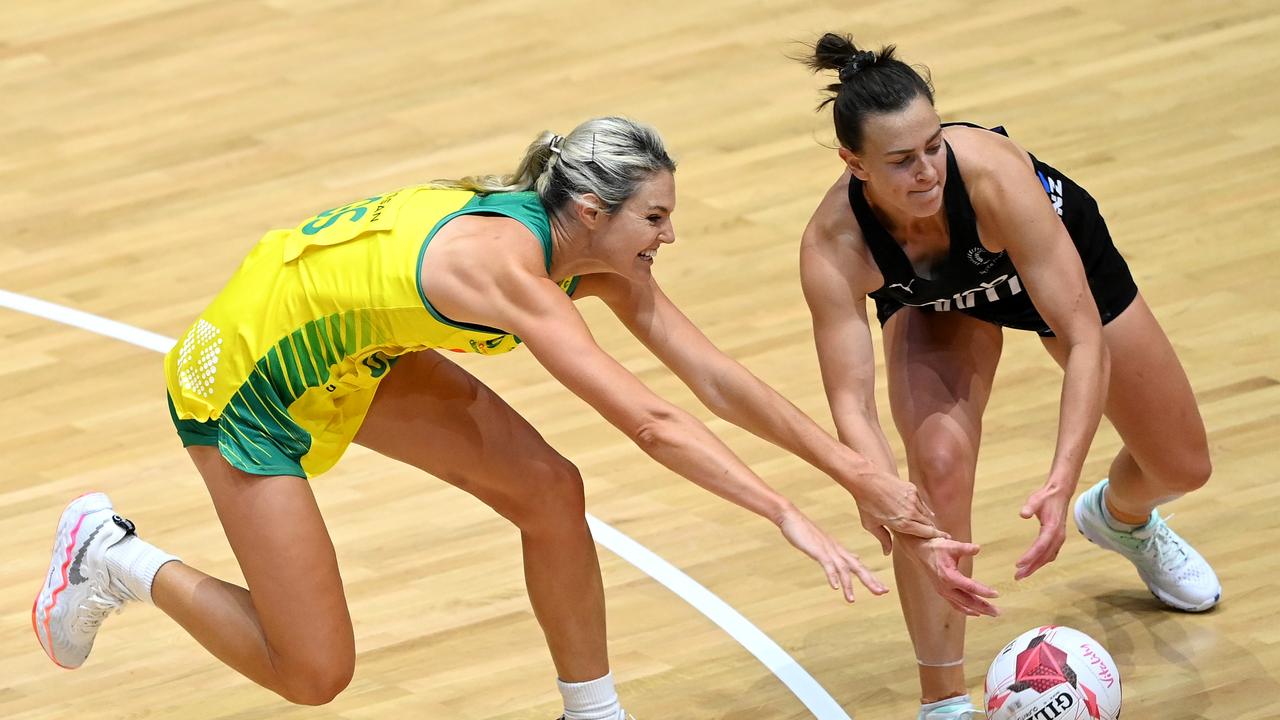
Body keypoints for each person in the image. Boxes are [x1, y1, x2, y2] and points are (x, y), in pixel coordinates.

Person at [33, 116, 960, 719]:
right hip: (249, 378)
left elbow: (711, 377)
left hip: (352, 349)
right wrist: (784, 513)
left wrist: (857, 474)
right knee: (312, 673)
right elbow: (652, 421)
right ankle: (111, 557)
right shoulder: (509, 272)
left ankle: (590, 711)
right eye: (657, 218)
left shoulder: (585, 247)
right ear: (593, 212)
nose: (669, 237)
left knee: (550, 491)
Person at [795, 34, 1221, 720]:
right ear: (854, 164)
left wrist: (1062, 477)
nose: (927, 172)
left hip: (1049, 267)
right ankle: (942, 702)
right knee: (931, 470)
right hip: (936, 301)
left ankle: (1123, 519)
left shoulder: (993, 178)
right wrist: (891, 509)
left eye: (934, 146)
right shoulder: (833, 245)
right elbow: (852, 406)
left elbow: (1083, 339)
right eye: (901, 161)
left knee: (1181, 464)